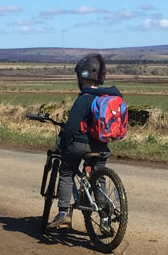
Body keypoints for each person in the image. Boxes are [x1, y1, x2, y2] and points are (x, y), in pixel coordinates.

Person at [49, 53, 123, 229]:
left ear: (81, 76)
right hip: (103, 146)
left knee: (66, 172)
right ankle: (105, 219)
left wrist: (62, 142)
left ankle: (63, 213)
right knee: (99, 179)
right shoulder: (108, 96)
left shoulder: (84, 99)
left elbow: (71, 128)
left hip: (81, 144)